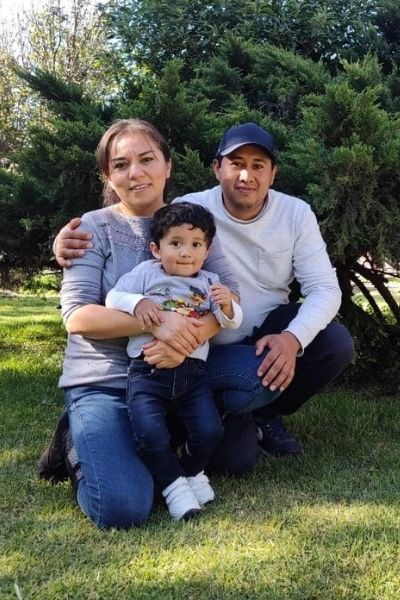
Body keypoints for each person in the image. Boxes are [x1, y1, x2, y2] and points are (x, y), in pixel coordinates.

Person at [51, 121, 354, 460]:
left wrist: (292, 338)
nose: (246, 176)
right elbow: (142, 228)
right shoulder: (192, 211)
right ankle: (206, 420)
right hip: (206, 346)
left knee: (333, 342)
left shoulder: (295, 213)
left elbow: (323, 288)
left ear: (273, 173)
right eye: (236, 163)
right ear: (217, 168)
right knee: (233, 460)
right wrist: (63, 242)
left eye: (258, 166)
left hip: (251, 332)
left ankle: (264, 415)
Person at [37, 118, 280, 529]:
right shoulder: (92, 228)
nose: (136, 172)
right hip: (107, 380)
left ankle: (181, 430)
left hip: (183, 369)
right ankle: (77, 439)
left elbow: (229, 294)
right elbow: (77, 317)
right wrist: (155, 323)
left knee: (261, 376)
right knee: (125, 507)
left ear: (167, 165)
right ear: (108, 176)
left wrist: (187, 337)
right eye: (121, 165)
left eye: (147, 159)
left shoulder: (190, 219)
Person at [105, 202, 242, 520]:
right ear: (156, 249)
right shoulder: (146, 273)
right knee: (150, 435)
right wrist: (137, 303)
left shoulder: (210, 282)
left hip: (194, 375)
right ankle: (174, 487)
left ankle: (192, 471)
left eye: (195, 245)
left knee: (210, 431)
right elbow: (113, 297)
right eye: (176, 243)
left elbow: (231, 321)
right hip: (147, 372)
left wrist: (228, 306)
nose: (185, 253)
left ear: (206, 251)